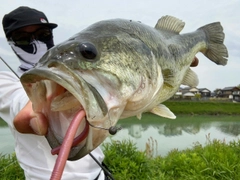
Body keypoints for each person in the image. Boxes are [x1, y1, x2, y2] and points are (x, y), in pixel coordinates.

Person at [0, 6, 107, 180]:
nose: (36, 42)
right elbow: (18, 102)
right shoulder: (4, 81)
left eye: (43, 35)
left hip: (98, 175)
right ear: (11, 43)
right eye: (23, 39)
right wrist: (38, 103)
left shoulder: (80, 71)